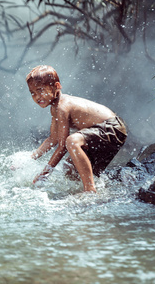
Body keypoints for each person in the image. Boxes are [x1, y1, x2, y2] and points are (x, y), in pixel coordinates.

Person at [25, 65, 127, 193]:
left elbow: (62, 146)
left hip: (113, 127)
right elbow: (53, 138)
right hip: (109, 130)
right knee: (69, 168)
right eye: (33, 93)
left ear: (56, 86)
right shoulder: (54, 108)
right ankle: (95, 188)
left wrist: (44, 174)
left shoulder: (62, 107)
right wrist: (30, 158)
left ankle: (90, 190)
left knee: (72, 141)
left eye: (40, 90)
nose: (37, 96)